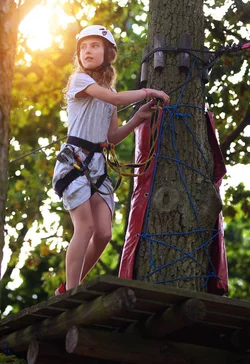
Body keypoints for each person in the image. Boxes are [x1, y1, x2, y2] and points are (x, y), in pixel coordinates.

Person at [52, 25, 170, 295]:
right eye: (83, 47)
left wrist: (138, 118)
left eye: (94, 46)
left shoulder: (107, 93)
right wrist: (147, 91)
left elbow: (112, 137)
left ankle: (68, 286)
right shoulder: (80, 80)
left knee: (104, 233)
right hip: (74, 161)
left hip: (95, 164)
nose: (87, 51)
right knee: (86, 226)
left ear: (107, 53)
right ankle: (72, 293)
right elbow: (116, 97)